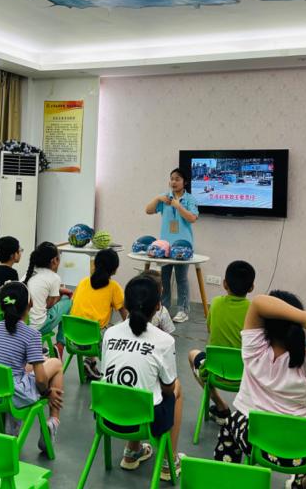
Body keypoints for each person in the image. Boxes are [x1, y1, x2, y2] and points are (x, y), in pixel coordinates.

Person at [213, 292, 306, 489]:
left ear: (264, 327)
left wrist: (302, 317)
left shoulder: (254, 349)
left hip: (255, 443)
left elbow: (258, 302)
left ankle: (226, 481)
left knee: (230, 423)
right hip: (303, 452)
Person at [101, 274, 184, 482]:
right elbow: (167, 389)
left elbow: (108, 374)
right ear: (158, 306)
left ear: (126, 304)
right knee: (177, 389)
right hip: (143, 421)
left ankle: (132, 452)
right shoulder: (164, 340)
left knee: (135, 384)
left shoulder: (110, 333)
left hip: (106, 416)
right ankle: (169, 461)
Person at [0, 281, 64, 452]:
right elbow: (41, 380)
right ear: (30, 304)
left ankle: (12, 429)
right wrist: (47, 392)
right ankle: (54, 420)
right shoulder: (32, 334)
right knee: (56, 364)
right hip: (12, 395)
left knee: (32, 365)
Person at [188, 260, 255, 424]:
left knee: (192, 355)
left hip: (215, 371)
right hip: (246, 375)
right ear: (251, 287)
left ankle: (220, 405)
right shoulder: (254, 310)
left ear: (225, 284)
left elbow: (210, 330)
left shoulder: (216, 303)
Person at [145, 167, 199, 323]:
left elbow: (192, 218)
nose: (173, 182)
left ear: (185, 182)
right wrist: (157, 199)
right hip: (165, 246)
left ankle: (183, 310)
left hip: (183, 246)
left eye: (177, 179)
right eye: (172, 179)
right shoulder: (165, 197)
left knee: (182, 278)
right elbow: (148, 210)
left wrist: (178, 206)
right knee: (165, 278)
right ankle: (165, 308)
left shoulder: (190, 199)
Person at [70, 248, 127, 379]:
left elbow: (76, 305)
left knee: (91, 322)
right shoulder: (113, 287)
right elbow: (125, 315)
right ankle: (108, 369)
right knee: (117, 328)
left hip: (73, 338)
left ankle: (90, 362)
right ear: (115, 268)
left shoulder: (83, 282)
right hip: (96, 341)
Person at [24, 242, 72, 356]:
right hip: (39, 326)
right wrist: (60, 296)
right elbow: (49, 305)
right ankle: (60, 344)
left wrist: (58, 291)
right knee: (69, 302)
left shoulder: (28, 274)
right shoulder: (54, 277)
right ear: (54, 260)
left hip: (24, 324)